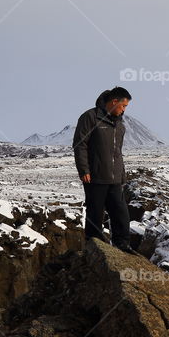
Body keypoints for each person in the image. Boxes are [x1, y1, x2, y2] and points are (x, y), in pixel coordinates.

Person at [72, 86, 134, 252]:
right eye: (123, 106)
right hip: (95, 176)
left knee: (121, 213)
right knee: (95, 212)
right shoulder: (90, 117)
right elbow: (80, 144)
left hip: (115, 178)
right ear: (114, 102)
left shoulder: (120, 124)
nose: (124, 110)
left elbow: (117, 152)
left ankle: (122, 244)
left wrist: (122, 175)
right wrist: (84, 170)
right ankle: (94, 244)